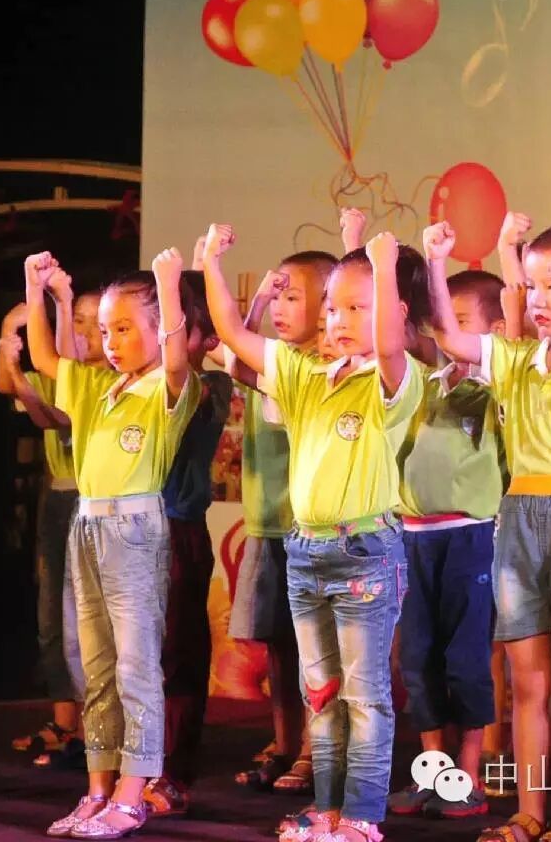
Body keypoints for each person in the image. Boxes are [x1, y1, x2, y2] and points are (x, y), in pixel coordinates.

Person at [202, 223, 425, 842]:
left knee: (364, 694)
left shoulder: (391, 381)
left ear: (392, 313)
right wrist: (210, 262)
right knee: (320, 691)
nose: (340, 320)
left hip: (365, 553)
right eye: (333, 307)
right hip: (306, 551)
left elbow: (389, 346)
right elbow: (232, 334)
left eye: (358, 308)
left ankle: (362, 816)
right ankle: (327, 808)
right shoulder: (302, 373)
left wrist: (384, 267)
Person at [427, 217, 551, 842]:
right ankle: (529, 813)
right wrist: (436, 261)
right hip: (517, 518)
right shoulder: (515, 358)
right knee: (526, 684)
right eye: (533, 286)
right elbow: (450, 337)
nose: (538, 299)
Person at [25, 249, 201, 840]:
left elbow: (176, 357)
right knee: (95, 666)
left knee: (135, 664)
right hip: (87, 526)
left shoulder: (167, 388)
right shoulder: (98, 386)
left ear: (159, 327)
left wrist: (169, 286)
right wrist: (38, 290)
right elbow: (44, 357)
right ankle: (98, 789)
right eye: (104, 331)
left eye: (124, 328)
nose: (111, 341)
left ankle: (133, 791)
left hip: (134, 530)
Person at [387, 269, 508, 821]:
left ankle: (470, 772)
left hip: (469, 536)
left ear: (494, 332)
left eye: (460, 322)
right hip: (412, 538)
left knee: (466, 659)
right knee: (417, 658)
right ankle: (432, 772)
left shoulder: (494, 392)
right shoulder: (420, 383)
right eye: (442, 322)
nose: (447, 333)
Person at [228, 252, 335, 798]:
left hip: (311, 525)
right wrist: (257, 305)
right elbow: (234, 360)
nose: (280, 307)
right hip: (268, 522)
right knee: (278, 644)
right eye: (279, 296)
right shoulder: (273, 357)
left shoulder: (320, 368)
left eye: (293, 297)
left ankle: (319, 749)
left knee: (316, 647)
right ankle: (285, 740)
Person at [0, 275, 104, 770]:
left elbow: (55, 418)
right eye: (77, 320)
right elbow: (6, 387)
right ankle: (66, 722)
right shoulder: (61, 372)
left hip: (93, 500)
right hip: (59, 499)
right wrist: (8, 335)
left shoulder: (104, 380)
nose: (86, 332)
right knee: (52, 617)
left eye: (96, 322)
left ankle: (95, 729)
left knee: (89, 622)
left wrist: (23, 379)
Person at [141, 270, 231, 819]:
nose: (165, 339)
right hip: (128, 531)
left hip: (177, 531)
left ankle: (172, 772)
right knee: (132, 658)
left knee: (177, 656)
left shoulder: (207, 387)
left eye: (178, 328)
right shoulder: (134, 386)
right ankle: (129, 768)